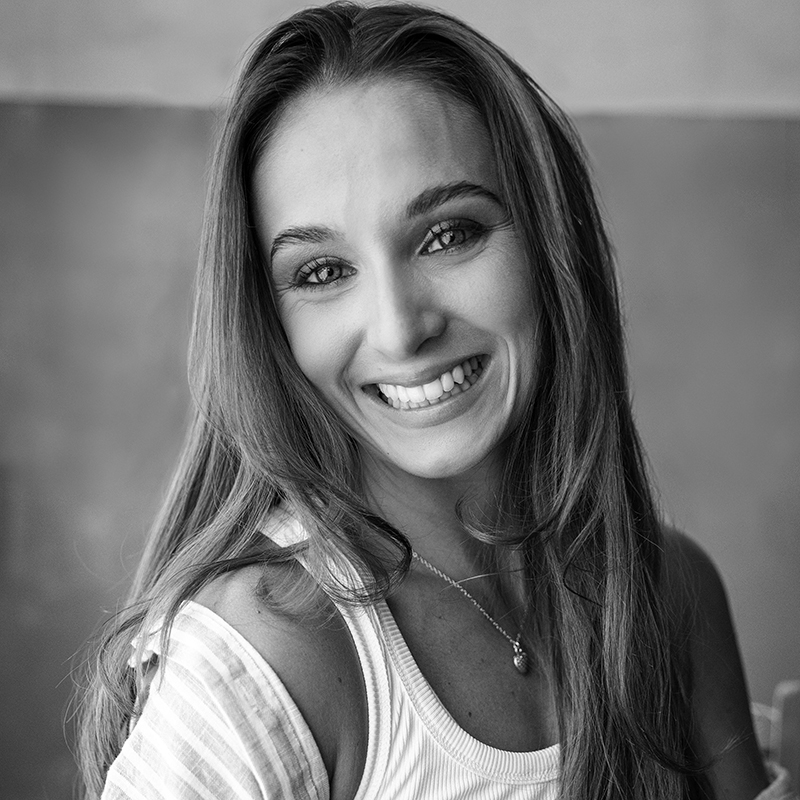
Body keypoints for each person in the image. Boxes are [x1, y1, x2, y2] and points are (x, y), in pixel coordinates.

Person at [76, 3, 796, 798]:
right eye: (322, 272)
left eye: (448, 234)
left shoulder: (672, 591)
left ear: (553, 243)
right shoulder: (260, 658)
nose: (399, 329)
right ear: (267, 322)